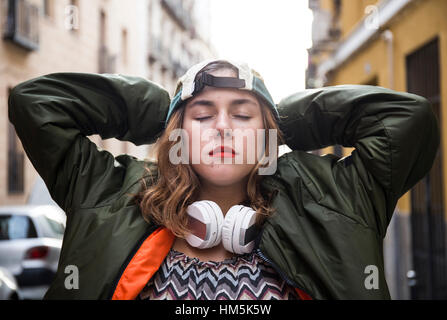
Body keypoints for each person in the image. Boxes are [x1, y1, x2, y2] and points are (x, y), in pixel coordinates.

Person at [8, 58, 439, 300]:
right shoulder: (109, 193)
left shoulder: (333, 202)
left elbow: (407, 119)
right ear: (179, 132)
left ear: (267, 133)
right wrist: (159, 110)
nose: (223, 127)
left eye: (242, 113)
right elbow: (37, 103)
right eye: (202, 114)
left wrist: (289, 120)